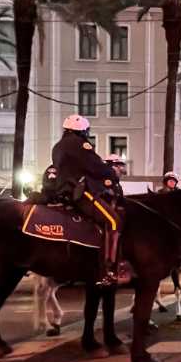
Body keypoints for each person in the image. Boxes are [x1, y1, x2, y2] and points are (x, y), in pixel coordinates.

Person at [50, 114, 123, 286]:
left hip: (64, 190)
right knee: (114, 221)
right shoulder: (80, 144)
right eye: (86, 131)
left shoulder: (58, 146)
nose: (87, 134)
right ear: (82, 131)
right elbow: (94, 165)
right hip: (79, 191)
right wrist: (112, 174)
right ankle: (109, 269)